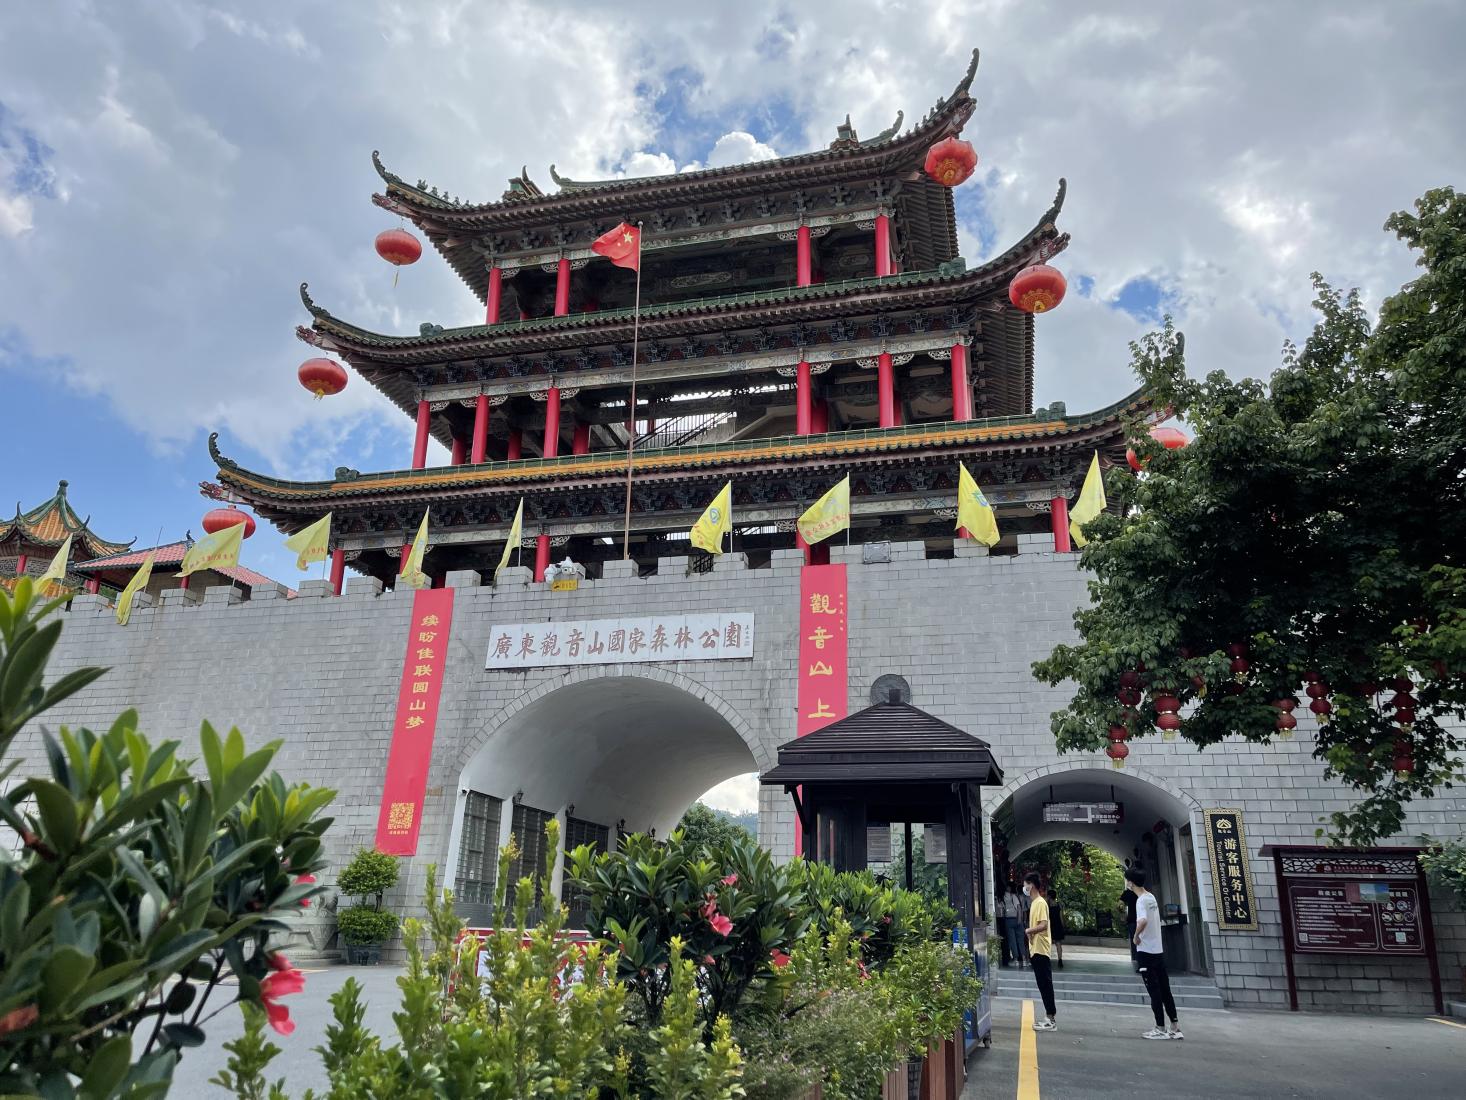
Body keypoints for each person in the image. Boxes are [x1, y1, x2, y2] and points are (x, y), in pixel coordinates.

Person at [1127, 866, 1182, 1040]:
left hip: (1146, 951)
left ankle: (1160, 1028)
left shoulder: (1141, 901)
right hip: (1157, 950)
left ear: (1131, 882)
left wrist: (1136, 936)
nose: (1127, 883)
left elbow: (1142, 920)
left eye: (1127, 880)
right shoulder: (1151, 897)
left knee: (1154, 991)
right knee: (1165, 989)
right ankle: (1175, 1026)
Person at [1022, 872, 1058, 1032]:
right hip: (1036, 949)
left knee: (1045, 984)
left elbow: (1043, 924)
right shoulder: (1035, 903)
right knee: (1043, 984)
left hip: (1041, 949)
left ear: (1031, 885)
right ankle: (1049, 1017)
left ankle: (1051, 1019)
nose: (1024, 888)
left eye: (1026, 884)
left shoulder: (1040, 903)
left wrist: (1029, 930)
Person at [1000, 886, 1025, 968]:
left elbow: (1001, 910)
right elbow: (1018, 907)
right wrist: (1019, 920)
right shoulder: (1013, 896)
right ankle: (1024, 960)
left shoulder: (1002, 897)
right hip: (1017, 919)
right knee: (1020, 940)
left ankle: (1016, 960)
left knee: (1012, 940)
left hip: (1008, 920)